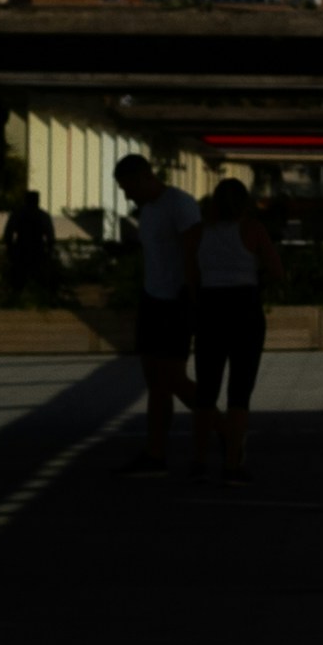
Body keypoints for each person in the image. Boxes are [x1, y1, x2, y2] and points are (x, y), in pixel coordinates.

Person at [189, 170, 280, 481]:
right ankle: (231, 464)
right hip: (245, 309)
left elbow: (190, 276)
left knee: (206, 389)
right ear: (245, 203)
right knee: (240, 391)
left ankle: (199, 461)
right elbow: (276, 269)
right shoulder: (252, 229)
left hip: (210, 309)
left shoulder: (198, 232)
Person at [115, 153, 197, 473]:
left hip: (176, 302)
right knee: (156, 382)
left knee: (174, 378)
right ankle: (155, 452)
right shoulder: (147, 211)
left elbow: (193, 252)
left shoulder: (180, 205)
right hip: (152, 300)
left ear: (145, 177)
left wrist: (192, 298)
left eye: (128, 188)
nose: (126, 196)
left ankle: (227, 432)